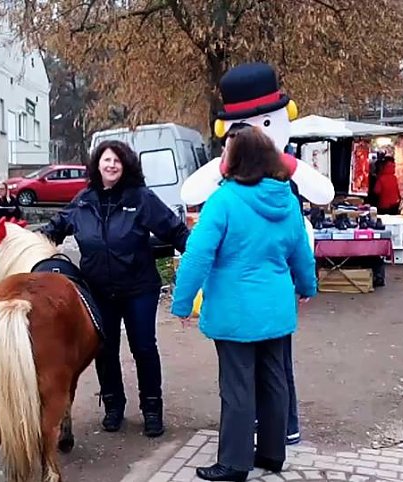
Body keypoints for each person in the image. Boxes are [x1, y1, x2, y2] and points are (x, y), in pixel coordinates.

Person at [171, 126, 317, 481]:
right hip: (276, 308)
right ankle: (272, 453)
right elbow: (301, 250)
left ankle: (234, 463)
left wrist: (182, 302)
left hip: (234, 311)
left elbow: (197, 256)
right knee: (274, 382)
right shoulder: (287, 200)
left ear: (237, 159)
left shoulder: (224, 200)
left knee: (237, 387)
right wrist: (306, 285)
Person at [40, 139, 190, 437]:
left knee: (143, 348)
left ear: (126, 165)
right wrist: (21, 242)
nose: (111, 165)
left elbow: (175, 231)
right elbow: (52, 231)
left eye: (117, 161)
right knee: (104, 350)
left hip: (139, 288)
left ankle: (152, 409)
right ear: (97, 164)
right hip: (98, 290)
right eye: (106, 159)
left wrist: (201, 257)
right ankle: (113, 406)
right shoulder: (83, 201)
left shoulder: (141, 198)